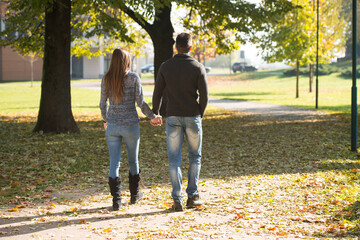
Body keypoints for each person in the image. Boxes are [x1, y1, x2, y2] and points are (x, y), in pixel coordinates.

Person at [100, 48, 162, 211]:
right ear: (127, 61)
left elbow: (102, 104)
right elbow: (140, 103)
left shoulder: (106, 79)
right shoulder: (133, 78)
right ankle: (134, 196)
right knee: (133, 160)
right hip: (130, 126)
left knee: (114, 163)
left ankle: (117, 201)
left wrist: (105, 120)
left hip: (112, 125)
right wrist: (153, 116)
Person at [152, 33, 208, 211]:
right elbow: (205, 96)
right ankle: (192, 196)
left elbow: (157, 92)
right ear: (190, 47)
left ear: (176, 47)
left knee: (174, 159)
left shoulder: (165, 66)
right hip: (192, 115)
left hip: (173, 116)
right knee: (195, 157)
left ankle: (177, 199)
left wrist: (156, 112)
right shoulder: (198, 67)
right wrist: (200, 113)